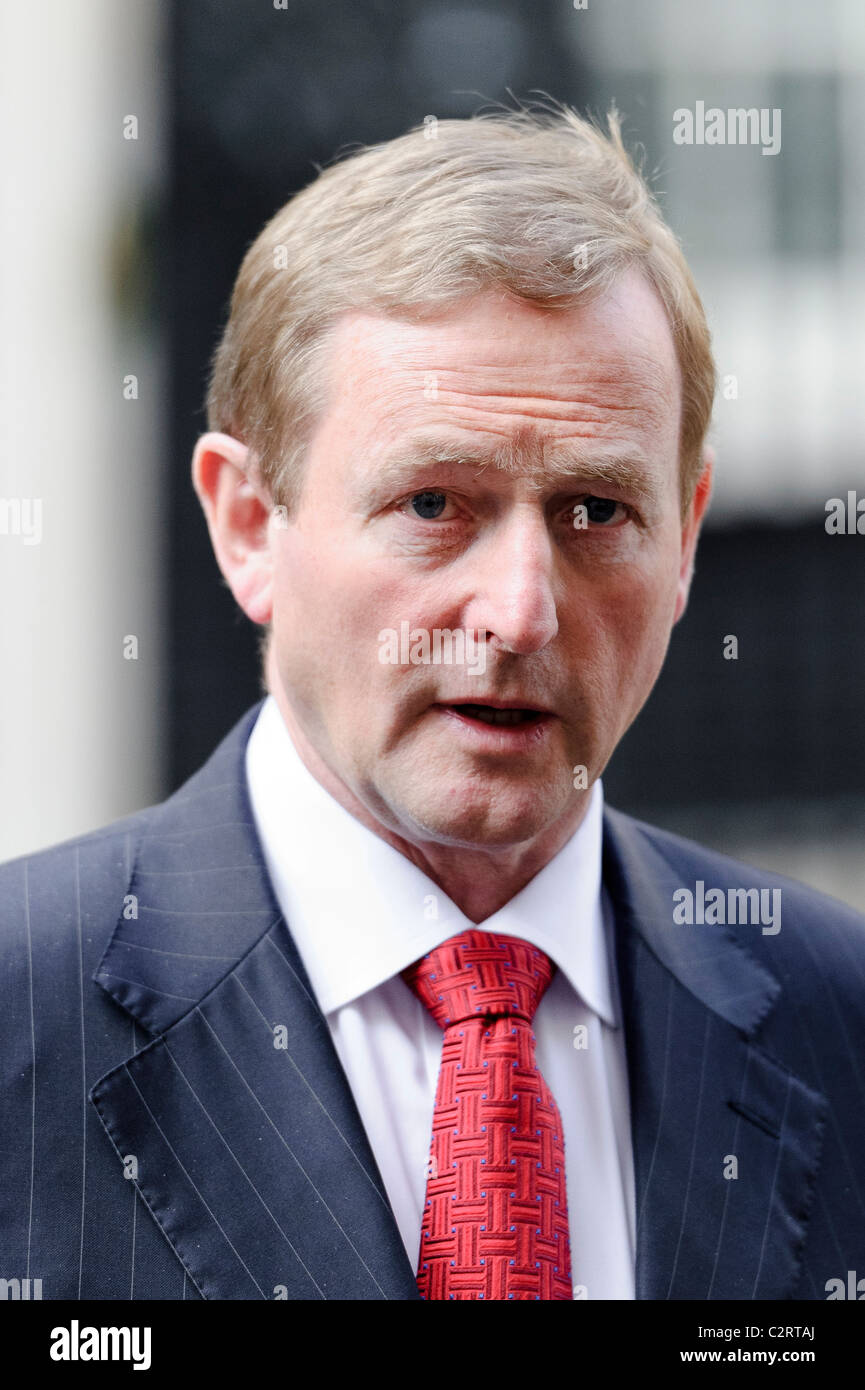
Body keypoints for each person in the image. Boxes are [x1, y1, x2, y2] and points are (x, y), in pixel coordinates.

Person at [1, 105, 863, 1303]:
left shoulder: (839, 1018)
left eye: (595, 511)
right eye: (432, 504)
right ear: (249, 523)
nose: (519, 613)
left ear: (685, 543)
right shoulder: (19, 1013)